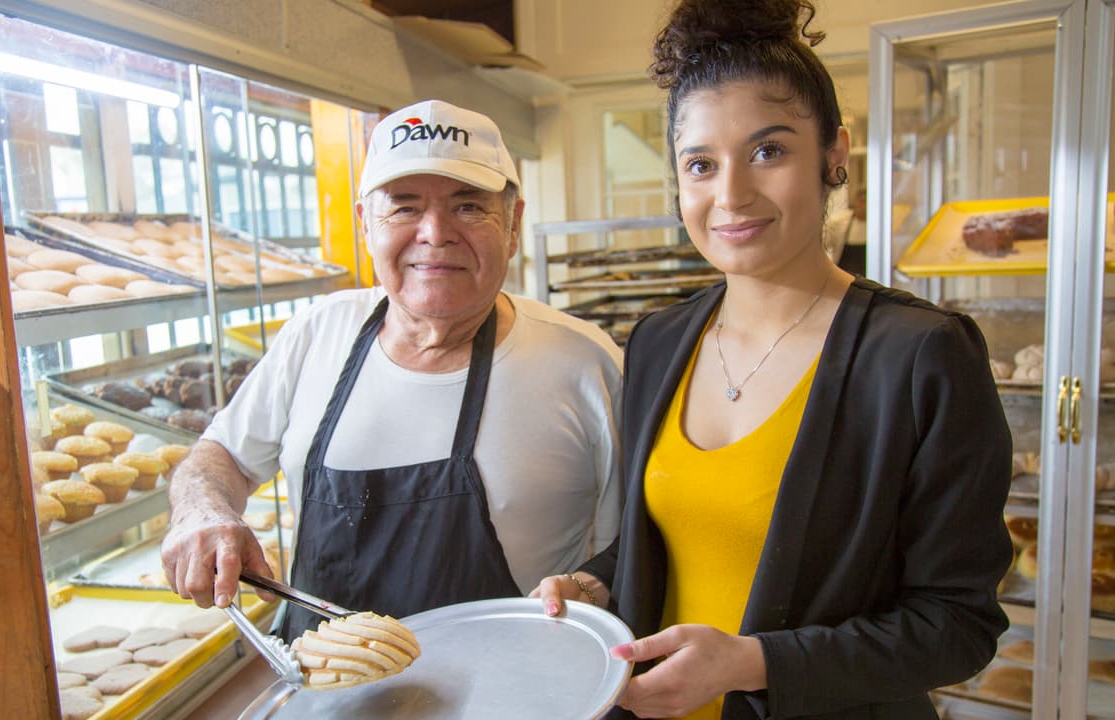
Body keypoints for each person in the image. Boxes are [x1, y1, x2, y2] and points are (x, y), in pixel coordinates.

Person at [532, 2, 1012, 718]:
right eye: (701, 164)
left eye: (769, 150)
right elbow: (674, 542)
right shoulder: (660, 342)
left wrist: (756, 664)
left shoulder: (919, 356)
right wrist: (600, 586)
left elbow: (959, 624)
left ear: (835, 155)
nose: (731, 195)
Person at [160, 99, 624, 640]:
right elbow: (221, 458)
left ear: (514, 222)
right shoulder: (316, 334)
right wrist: (200, 512)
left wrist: (592, 586)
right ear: (366, 223)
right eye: (404, 207)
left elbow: (639, 540)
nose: (435, 233)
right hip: (327, 695)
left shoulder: (586, 363)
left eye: (469, 207)